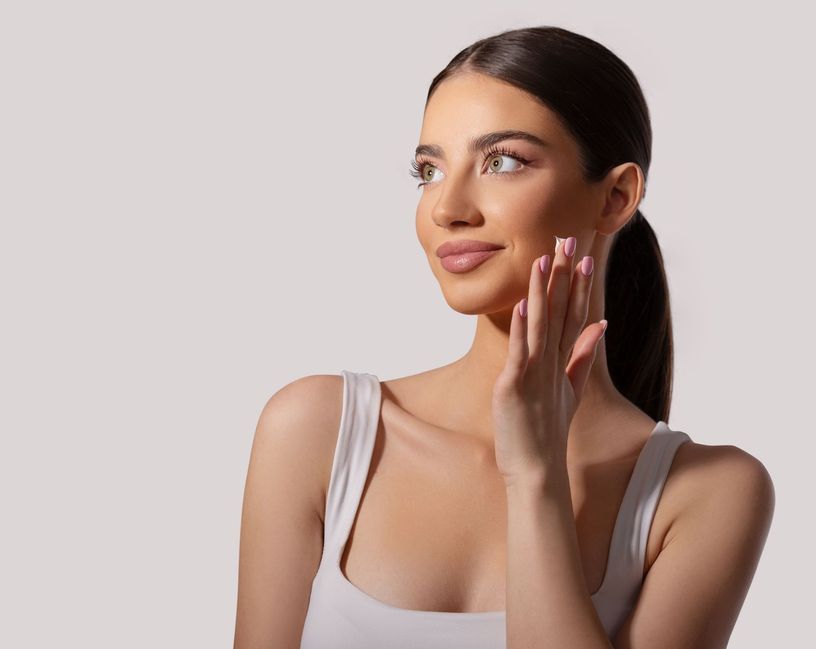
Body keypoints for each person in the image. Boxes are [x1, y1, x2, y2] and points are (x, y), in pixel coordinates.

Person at [234, 25, 775, 649]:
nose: (447, 208)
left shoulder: (707, 493)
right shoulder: (317, 431)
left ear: (617, 197)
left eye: (503, 161)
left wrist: (536, 475)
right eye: (429, 170)